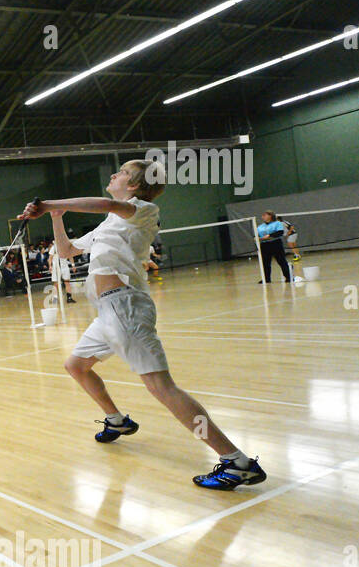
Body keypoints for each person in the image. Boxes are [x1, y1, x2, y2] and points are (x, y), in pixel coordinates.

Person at [21, 159, 265, 490]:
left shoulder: (143, 209)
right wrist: (55, 217)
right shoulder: (110, 223)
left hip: (126, 308)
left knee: (161, 387)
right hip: (107, 314)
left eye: (120, 172)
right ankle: (117, 421)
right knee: (76, 365)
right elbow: (65, 251)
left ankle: (236, 461)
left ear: (134, 186)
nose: (112, 175)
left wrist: (50, 202)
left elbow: (107, 202)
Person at [256, 211, 293, 284]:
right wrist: (256, 238)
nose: (262, 217)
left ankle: (288, 277)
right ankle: (266, 279)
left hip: (275, 244)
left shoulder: (277, 223)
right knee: (265, 263)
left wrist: (269, 236)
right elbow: (256, 234)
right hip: (264, 245)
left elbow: (280, 232)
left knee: (281, 261)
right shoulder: (260, 226)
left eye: (264, 215)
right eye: (262, 215)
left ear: (270, 216)